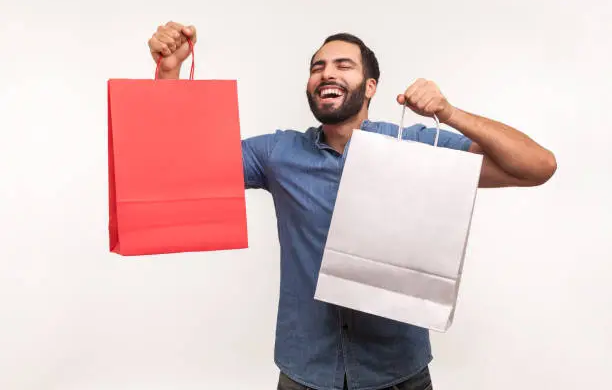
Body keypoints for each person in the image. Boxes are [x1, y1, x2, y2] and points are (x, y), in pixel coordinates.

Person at [147, 21, 557, 390]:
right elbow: (181, 167)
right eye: (317, 67)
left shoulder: (415, 147)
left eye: (344, 65)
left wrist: (449, 113)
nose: (327, 73)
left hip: (397, 372)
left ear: (371, 86)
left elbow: (538, 166)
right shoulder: (278, 153)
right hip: (305, 370)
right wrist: (169, 73)